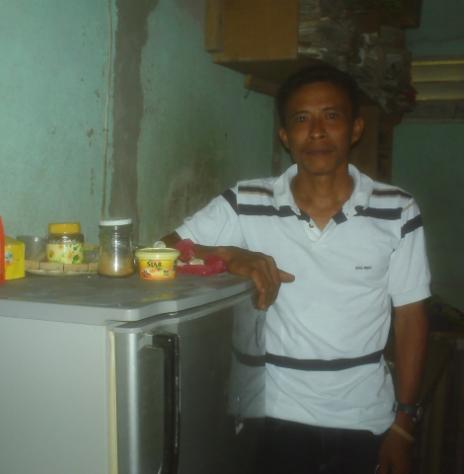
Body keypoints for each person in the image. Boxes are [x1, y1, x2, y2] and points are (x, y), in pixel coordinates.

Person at [162, 64, 430, 474]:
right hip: (268, 418)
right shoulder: (246, 200)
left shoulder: (397, 210)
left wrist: (404, 425)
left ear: (355, 128)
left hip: (364, 420)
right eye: (302, 119)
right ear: (285, 136)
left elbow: (411, 316)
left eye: (331, 116)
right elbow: (160, 252)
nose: (317, 131)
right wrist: (229, 255)